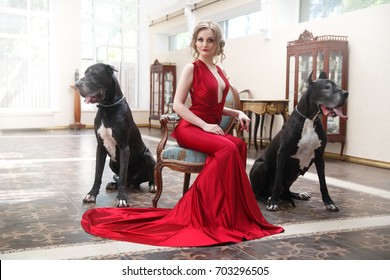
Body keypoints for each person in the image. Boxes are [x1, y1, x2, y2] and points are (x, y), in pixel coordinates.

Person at [81, 21, 283, 247]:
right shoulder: (192, 68)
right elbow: (178, 105)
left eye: (210, 40)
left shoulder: (220, 71)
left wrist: (236, 112)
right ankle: (196, 209)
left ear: (218, 44)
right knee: (227, 147)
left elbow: (215, 107)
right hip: (191, 128)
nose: (205, 44)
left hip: (207, 126)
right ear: (195, 42)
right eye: (200, 39)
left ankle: (232, 212)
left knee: (239, 145)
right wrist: (205, 126)